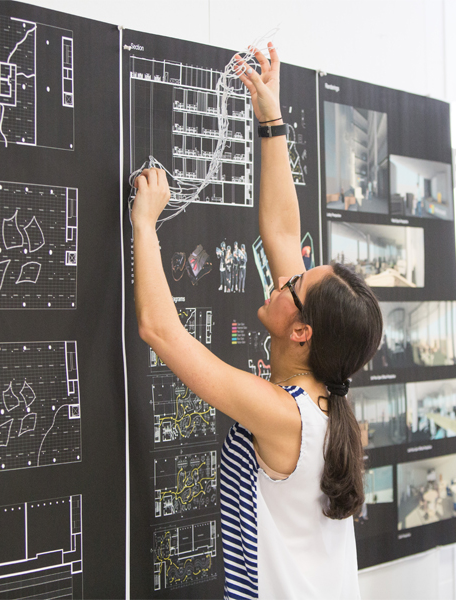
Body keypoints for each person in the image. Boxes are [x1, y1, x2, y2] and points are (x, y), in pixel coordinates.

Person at [131, 43, 383, 599]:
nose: (282, 278)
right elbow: (284, 235)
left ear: (302, 332)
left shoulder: (284, 415)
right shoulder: (323, 402)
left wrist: (146, 224)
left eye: (293, 286)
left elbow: (161, 331)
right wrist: (270, 119)